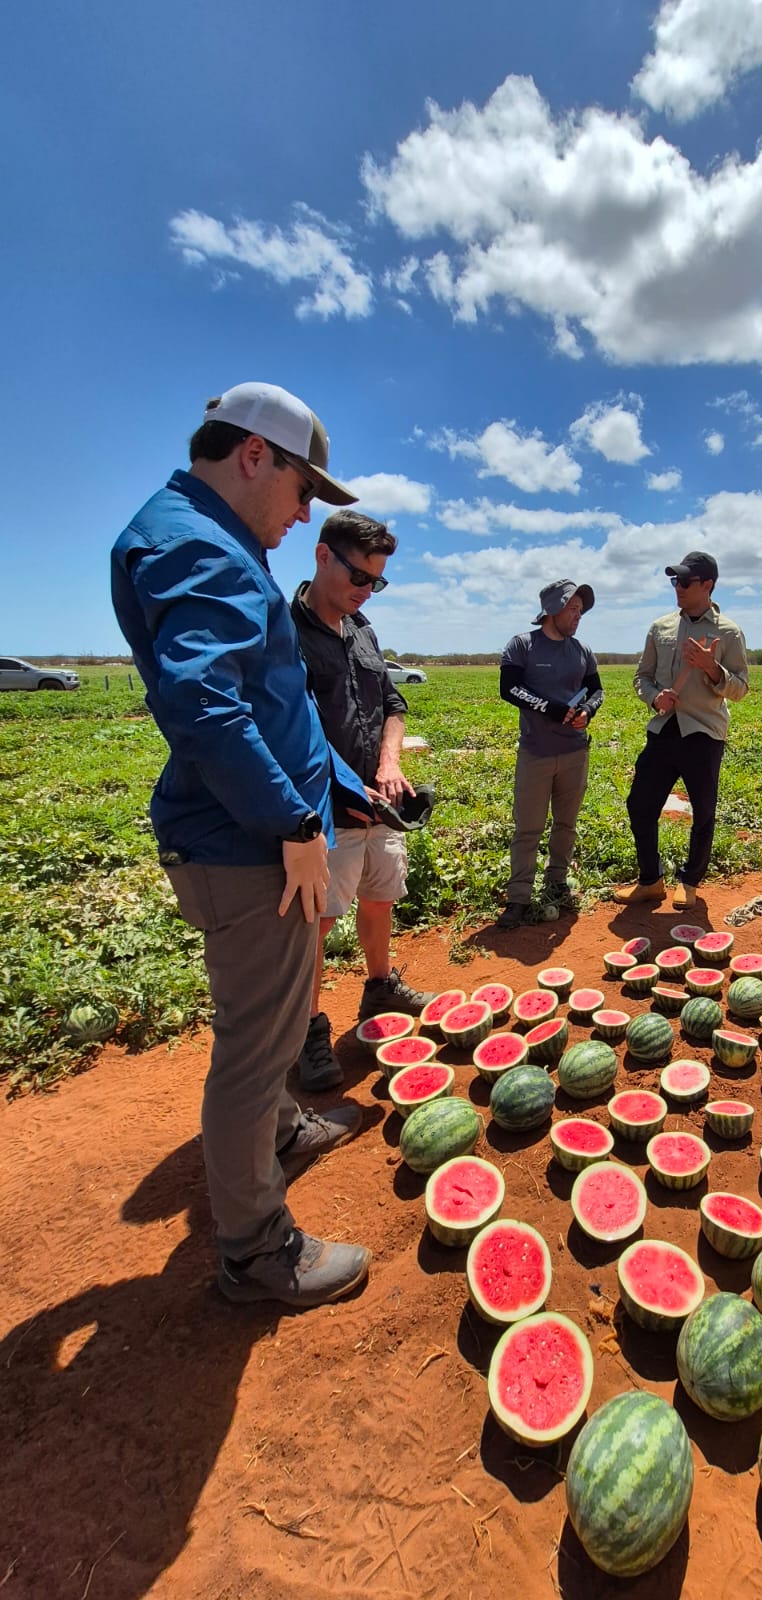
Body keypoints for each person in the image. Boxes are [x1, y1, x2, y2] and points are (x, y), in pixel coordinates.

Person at [110, 381, 373, 1310]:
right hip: (247, 844)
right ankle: (257, 1250)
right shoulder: (196, 542)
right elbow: (206, 705)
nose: (304, 517)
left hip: (260, 834)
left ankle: (284, 1130)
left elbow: (271, 702)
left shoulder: (213, 535)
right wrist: (294, 822)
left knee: (277, 1020)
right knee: (255, 1051)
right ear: (254, 455)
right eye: (304, 492)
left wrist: (345, 796)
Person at [290, 510, 437, 1089]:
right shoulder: (286, 633)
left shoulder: (363, 630)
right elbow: (292, 727)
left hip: (383, 802)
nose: (366, 591)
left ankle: (379, 986)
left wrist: (389, 761)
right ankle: (306, 1029)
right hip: (328, 810)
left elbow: (393, 706)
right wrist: (353, 785)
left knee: (380, 898)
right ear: (323, 556)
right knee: (319, 923)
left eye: (377, 581)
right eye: (359, 577)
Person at [613, 552, 749, 911]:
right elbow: (641, 677)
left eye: (686, 582)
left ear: (708, 585)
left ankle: (689, 882)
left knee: (703, 812)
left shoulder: (728, 632)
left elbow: (740, 689)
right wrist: (654, 697)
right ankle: (650, 881)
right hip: (664, 728)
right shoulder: (660, 628)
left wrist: (712, 668)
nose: (678, 588)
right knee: (640, 805)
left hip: (703, 732)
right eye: (676, 581)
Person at [496, 579, 603, 929]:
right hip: (536, 752)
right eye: (573, 609)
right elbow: (509, 688)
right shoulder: (523, 645)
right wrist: (549, 708)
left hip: (575, 752)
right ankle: (518, 897)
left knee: (566, 825)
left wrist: (587, 711)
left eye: (581, 610)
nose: (578, 616)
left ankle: (556, 883)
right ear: (553, 609)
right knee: (528, 828)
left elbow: (596, 691)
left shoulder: (582, 650)